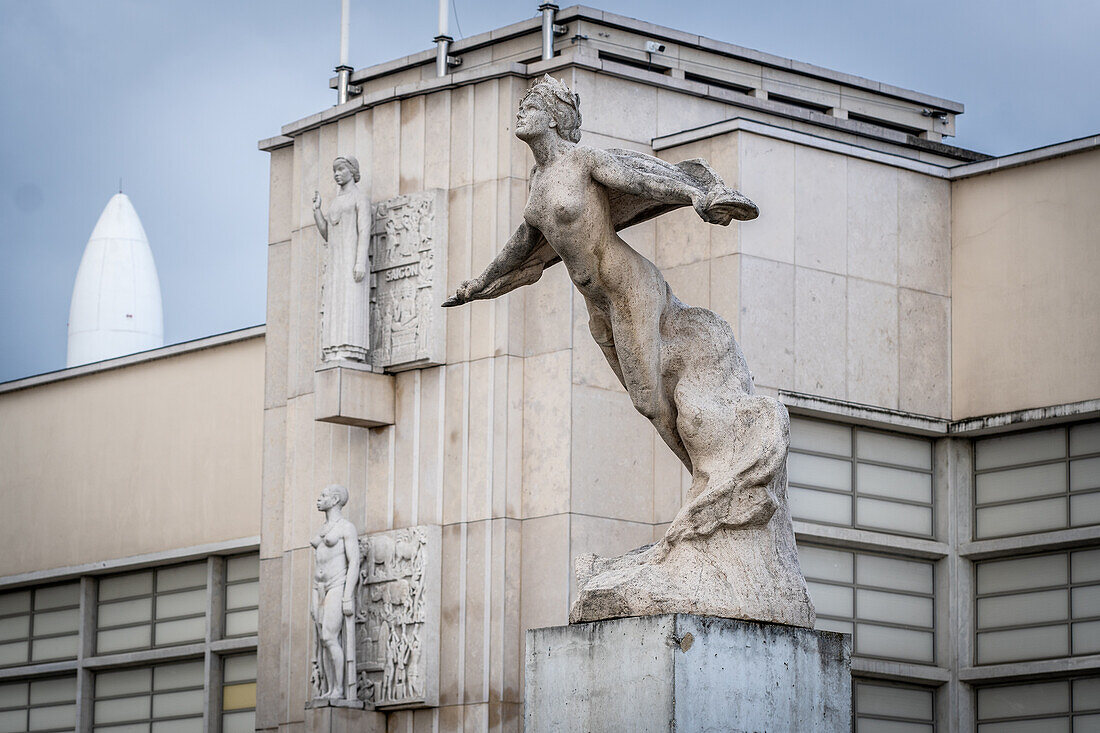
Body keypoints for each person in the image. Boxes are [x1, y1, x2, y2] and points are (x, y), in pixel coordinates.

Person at [444, 74, 759, 474]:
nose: (521, 112)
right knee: (645, 400)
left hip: (625, 283)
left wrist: (696, 194)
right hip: (598, 301)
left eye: (531, 105)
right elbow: (523, 241)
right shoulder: (538, 180)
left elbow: (642, 181)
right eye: (522, 106)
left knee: (648, 398)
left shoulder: (583, 161)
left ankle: (707, 476)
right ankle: (706, 470)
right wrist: (480, 282)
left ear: (555, 118)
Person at [313, 156, 371, 362]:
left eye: (340, 169)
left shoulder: (359, 198)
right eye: (334, 170)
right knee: (336, 301)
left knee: (350, 301)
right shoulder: (336, 201)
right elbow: (328, 233)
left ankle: (350, 347)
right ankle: (334, 347)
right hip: (337, 261)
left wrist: (360, 261)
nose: (336, 174)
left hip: (351, 259)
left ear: (352, 171)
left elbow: (364, 231)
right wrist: (317, 211)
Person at [310, 484, 359, 700]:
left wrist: (348, 595)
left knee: (330, 636)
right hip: (318, 586)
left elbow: (354, 561)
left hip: (337, 584)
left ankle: (339, 689)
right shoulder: (322, 529)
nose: (319, 499)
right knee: (322, 639)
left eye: (323, 495)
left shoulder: (346, 528)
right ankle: (329, 689)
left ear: (335, 499)